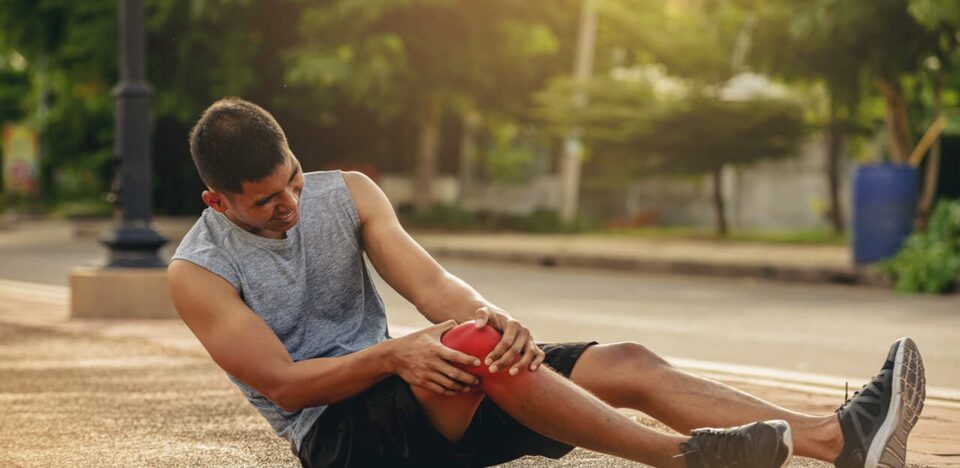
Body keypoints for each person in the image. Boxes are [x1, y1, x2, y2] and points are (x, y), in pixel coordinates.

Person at [168, 98, 926, 468]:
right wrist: (395, 356)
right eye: (268, 201)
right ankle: (679, 458)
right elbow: (288, 386)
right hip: (343, 440)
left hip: (438, 393)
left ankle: (841, 439)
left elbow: (432, 285)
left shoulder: (351, 193)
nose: (293, 205)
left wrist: (497, 319)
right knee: (461, 348)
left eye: (294, 180)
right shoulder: (199, 272)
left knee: (620, 359)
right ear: (218, 201)